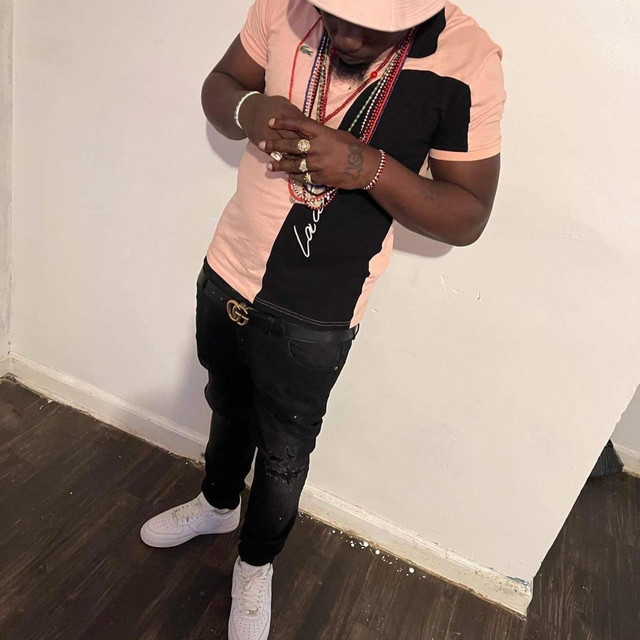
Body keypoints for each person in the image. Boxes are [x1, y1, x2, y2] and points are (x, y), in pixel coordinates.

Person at [140, 0, 506, 638]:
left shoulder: (467, 59)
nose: (347, 35)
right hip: (229, 264)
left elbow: (467, 215)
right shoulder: (282, 7)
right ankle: (218, 505)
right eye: (333, 12)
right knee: (226, 403)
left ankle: (256, 562)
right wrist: (249, 111)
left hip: (321, 307)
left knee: (284, 450)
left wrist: (365, 167)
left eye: (372, 24)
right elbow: (219, 86)